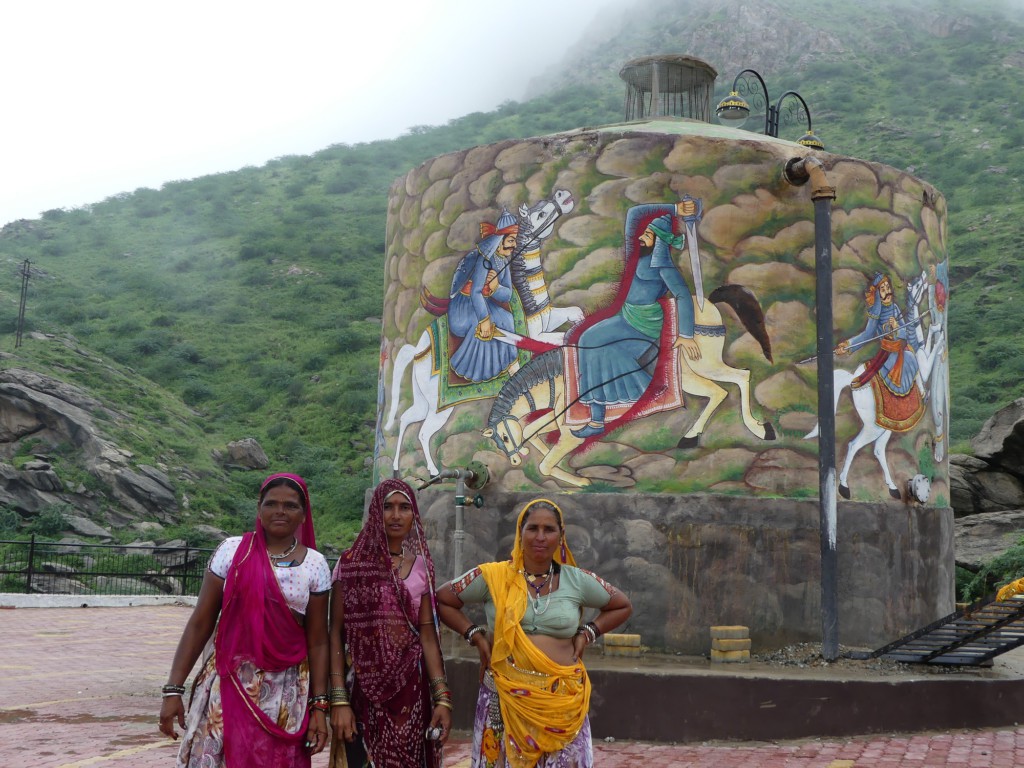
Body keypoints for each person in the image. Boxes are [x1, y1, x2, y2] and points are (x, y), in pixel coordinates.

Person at [436, 498, 633, 768]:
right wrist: (474, 634)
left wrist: (588, 632)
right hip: (504, 697)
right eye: (533, 528)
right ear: (520, 532)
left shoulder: (577, 579)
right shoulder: (493, 576)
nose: (540, 537)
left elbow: (621, 605)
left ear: (561, 536)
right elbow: (443, 599)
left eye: (549, 529)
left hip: (560, 702)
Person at [159, 473, 331, 768]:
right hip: (227, 684)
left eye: (290, 506)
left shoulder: (315, 565)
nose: (280, 511)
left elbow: (317, 642)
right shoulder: (232, 551)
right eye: (271, 503)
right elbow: (201, 622)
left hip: (284, 693)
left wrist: (319, 706)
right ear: (259, 509)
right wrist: (173, 689)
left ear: (304, 514)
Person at [328, 478, 452, 768]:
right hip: (361, 691)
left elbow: (427, 636)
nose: (396, 515)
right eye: (387, 507)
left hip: (411, 690)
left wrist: (442, 698)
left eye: (404, 508)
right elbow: (335, 634)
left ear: (413, 516)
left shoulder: (421, 566)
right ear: (375, 512)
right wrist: (338, 700)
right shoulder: (350, 564)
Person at [570, 200, 701, 438]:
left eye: (649, 234)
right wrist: (675, 210)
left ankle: (643, 389)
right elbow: (634, 213)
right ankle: (597, 420)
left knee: (604, 349)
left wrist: (686, 335)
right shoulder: (635, 254)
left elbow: (682, 295)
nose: (642, 235)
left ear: (660, 239)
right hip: (625, 318)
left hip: (644, 327)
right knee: (587, 338)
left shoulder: (664, 267)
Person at [447, 209, 521, 382]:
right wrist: (484, 319)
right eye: (511, 240)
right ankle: (477, 369)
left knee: (508, 319)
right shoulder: (485, 259)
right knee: (486, 324)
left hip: (484, 304)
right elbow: (476, 292)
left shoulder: (503, 261)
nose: (514, 245)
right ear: (499, 241)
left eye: (515, 241)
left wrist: (496, 287)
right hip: (465, 306)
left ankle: (509, 366)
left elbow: (507, 295)